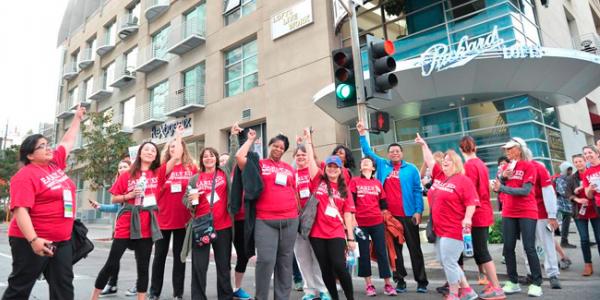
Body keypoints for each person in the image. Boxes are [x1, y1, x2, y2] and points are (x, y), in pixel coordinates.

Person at [2, 106, 85, 300]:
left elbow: (67, 141)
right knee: (20, 288)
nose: (49, 148)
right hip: (31, 240)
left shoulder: (54, 164)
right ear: (30, 155)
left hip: (62, 240)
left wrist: (77, 119)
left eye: (48, 144)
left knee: (63, 288)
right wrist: (33, 240)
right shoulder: (25, 176)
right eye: (42, 146)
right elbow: (20, 211)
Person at [356, 121, 428, 293]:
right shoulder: (382, 165)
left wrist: (419, 211)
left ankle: (421, 282)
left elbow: (418, 190)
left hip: (409, 214)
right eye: (392, 151)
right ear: (388, 154)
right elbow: (367, 151)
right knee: (394, 252)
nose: (395, 153)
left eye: (397, 151)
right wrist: (361, 135)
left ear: (402, 153)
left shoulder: (410, 169)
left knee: (415, 249)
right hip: (389, 216)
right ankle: (400, 280)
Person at [91, 141, 163, 300]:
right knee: (111, 263)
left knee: (143, 267)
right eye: (146, 149)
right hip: (126, 223)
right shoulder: (127, 174)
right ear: (139, 153)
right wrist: (129, 196)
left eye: (153, 150)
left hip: (146, 226)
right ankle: (94, 297)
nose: (150, 152)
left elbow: (176, 156)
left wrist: (178, 136)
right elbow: (114, 198)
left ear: (156, 156)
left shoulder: (158, 173)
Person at [236, 129, 299, 300]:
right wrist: (249, 140)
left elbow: (294, 191)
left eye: (282, 148)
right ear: (270, 145)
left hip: (290, 219)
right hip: (265, 220)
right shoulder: (259, 163)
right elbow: (240, 159)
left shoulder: (288, 169)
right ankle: (261, 297)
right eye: (275, 146)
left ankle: (282, 297)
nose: (278, 149)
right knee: (265, 261)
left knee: (285, 263)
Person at [416, 138, 479, 300]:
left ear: (456, 163)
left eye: (448, 161)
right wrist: (424, 145)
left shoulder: (463, 180)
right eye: (444, 160)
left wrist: (468, 218)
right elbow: (429, 160)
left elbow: (471, 202)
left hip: (454, 228)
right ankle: (467, 290)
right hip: (438, 228)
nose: (445, 162)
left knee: (449, 261)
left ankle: (453, 293)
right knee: (444, 261)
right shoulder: (439, 176)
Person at [185, 123, 241, 300]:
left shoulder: (223, 172)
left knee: (223, 266)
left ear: (216, 159)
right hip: (201, 226)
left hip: (223, 227)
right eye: (205, 156)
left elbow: (234, 155)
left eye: (211, 156)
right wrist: (193, 199)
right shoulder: (195, 178)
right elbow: (188, 201)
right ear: (201, 160)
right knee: (199, 267)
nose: (208, 158)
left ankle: (225, 296)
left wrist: (233, 136)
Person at [303, 128, 356, 300]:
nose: (333, 169)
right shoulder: (317, 180)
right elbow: (311, 160)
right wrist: (308, 141)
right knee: (325, 269)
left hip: (336, 232)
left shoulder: (344, 189)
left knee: (340, 266)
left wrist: (351, 238)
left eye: (336, 167)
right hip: (316, 233)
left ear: (341, 170)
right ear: (325, 169)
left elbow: (348, 214)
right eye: (330, 166)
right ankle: (334, 297)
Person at [149, 125, 197, 300]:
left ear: (184, 149)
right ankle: (154, 292)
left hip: (183, 221)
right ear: (168, 151)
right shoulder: (163, 169)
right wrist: (178, 135)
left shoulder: (191, 169)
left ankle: (178, 293)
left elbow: (197, 190)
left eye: (178, 146)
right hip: (163, 220)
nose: (175, 149)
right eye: (172, 147)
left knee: (180, 258)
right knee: (159, 257)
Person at [492, 137, 543, 297]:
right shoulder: (506, 167)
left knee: (529, 247)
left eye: (510, 149)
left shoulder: (529, 166)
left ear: (519, 149)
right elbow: (497, 189)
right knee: (508, 248)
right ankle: (513, 282)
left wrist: (503, 187)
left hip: (527, 210)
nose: (507, 152)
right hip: (509, 211)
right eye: (506, 150)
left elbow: (525, 191)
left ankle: (536, 283)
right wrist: (503, 178)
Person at [457, 136, 505, 299]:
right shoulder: (481, 164)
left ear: (461, 150)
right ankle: (493, 285)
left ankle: (497, 288)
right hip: (484, 210)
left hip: (476, 213)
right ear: (475, 148)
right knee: (481, 251)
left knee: (482, 252)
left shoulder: (469, 166)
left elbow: (469, 191)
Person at [349, 157, 397, 297]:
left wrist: (385, 218)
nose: (365, 162)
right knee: (363, 254)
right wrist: (352, 219)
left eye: (368, 162)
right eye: (363, 161)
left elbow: (383, 205)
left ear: (373, 168)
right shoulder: (354, 182)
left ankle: (388, 284)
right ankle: (369, 285)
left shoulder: (377, 184)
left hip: (377, 223)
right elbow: (350, 202)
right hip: (360, 224)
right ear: (360, 167)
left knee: (382, 253)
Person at [292, 143, 330, 300]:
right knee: (302, 258)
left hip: (316, 220)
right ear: (294, 158)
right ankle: (309, 290)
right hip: (297, 221)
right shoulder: (291, 174)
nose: (301, 157)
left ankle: (323, 289)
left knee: (318, 257)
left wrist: (308, 141)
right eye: (298, 155)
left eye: (304, 154)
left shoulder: (315, 172)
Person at [88, 159, 132, 297]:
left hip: (139, 226)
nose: (122, 169)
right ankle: (112, 284)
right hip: (121, 227)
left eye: (125, 166)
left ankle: (139, 286)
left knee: (141, 258)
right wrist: (100, 206)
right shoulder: (118, 185)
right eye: (120, 167)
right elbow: (116, 207)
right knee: (114, 258)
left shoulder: (137, 182)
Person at [529, 160, 561, 289]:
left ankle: (553, 274)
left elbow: (549, 193)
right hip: (525, 214)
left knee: (547, 244)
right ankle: (531, 273)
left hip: (541, 213)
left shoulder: (538, 167)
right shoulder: (512, 168)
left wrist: (552, 215)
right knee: (528, 246)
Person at [571, 149, 600, 276]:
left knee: (599, 238)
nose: (578, 163)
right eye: (575, 162)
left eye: (580, 161)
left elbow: (589, 193)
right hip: (580, 212)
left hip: (594, 209)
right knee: (584, 239)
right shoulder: (572, 178)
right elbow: (567, 194)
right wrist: (578, 197)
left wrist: (584, 188)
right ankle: (588, 264)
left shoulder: (590, 172)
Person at [555, 161, 576, 249]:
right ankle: (564, 242)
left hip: (571, 205)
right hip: (564, 206)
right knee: (565, 224)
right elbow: (563, 191)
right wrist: (574, 192)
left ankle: (564, 241)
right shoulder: (561, 179)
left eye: (571, 169)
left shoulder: (569, 178)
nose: (570, 171)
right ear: (564, 170)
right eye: (568, 170)